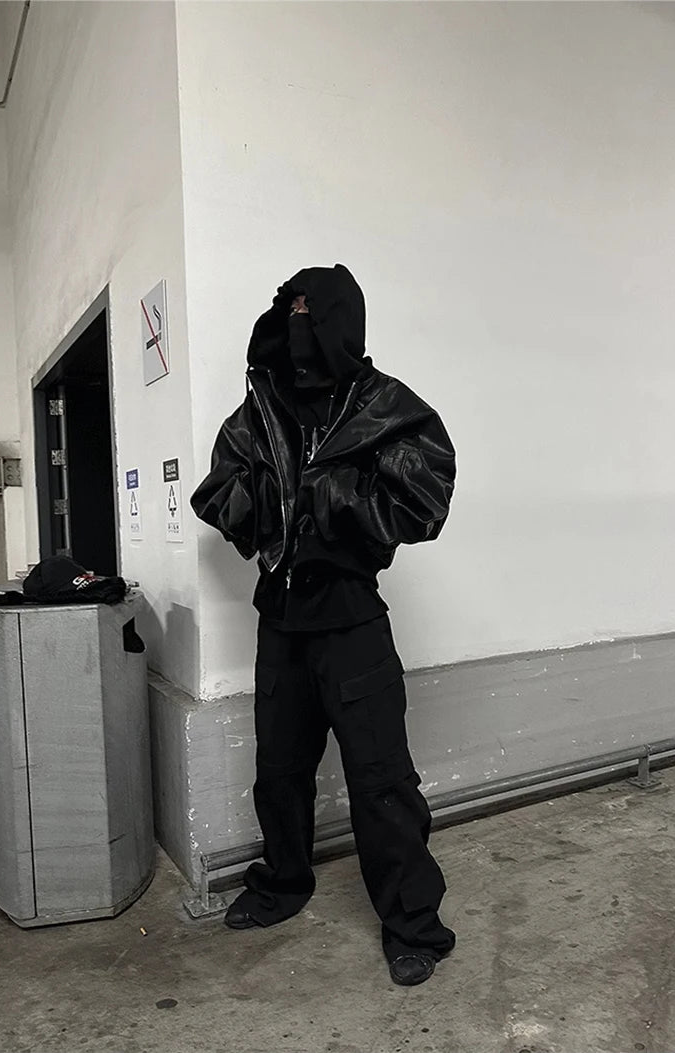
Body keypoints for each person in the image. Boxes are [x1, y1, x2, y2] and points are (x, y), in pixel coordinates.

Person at [190, 263, 457, 986]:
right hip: (280, 620)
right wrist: (265, 507)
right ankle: (282, 881)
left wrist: (335, 498)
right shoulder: (262, 407)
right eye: (291, 306)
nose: (299, 320)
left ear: (342, 317)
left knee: (382, 781)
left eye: (312, 308)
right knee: (278, 771)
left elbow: (425, 498)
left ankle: (412, 923)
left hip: (352, 621)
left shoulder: (385, 405)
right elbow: (217, 488)